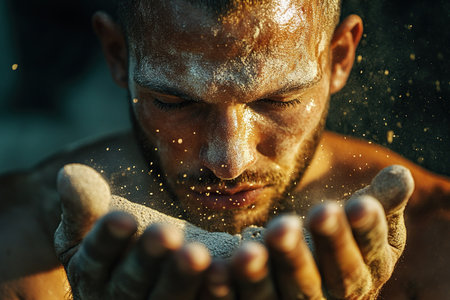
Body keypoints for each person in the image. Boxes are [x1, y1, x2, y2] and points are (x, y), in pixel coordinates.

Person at [0, 0, 448, 299]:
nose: (229, 162)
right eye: (176, 102)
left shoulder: (438, 241)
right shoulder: (18, 239)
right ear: (118, 56)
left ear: (339, 57)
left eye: (279, 101)